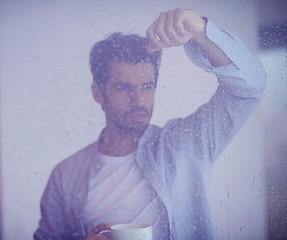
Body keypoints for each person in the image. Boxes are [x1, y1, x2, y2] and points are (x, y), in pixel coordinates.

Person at [34, 8, 267, 240]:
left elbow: (250, 87)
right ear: (98, 93)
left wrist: (201, 31)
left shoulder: (185, 146)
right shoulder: (65, 177)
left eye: (147, 86)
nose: (138, 101)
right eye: (123, 88)